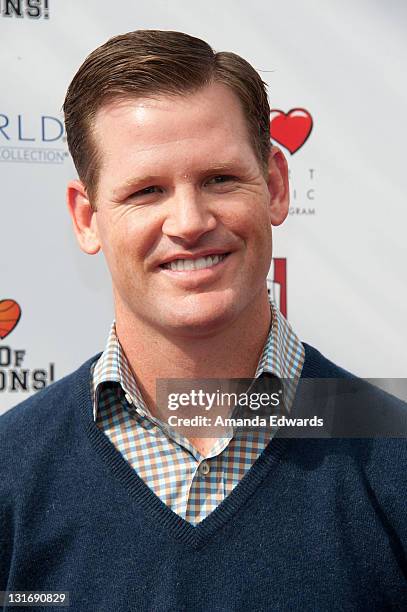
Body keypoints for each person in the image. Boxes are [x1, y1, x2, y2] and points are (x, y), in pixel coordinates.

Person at [0, 30, 406, 611]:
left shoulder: (393, 460)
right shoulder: (10, 475)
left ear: (274, 186)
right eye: (147, 191)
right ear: (87, 218)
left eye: (219, 179)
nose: (189, 222)